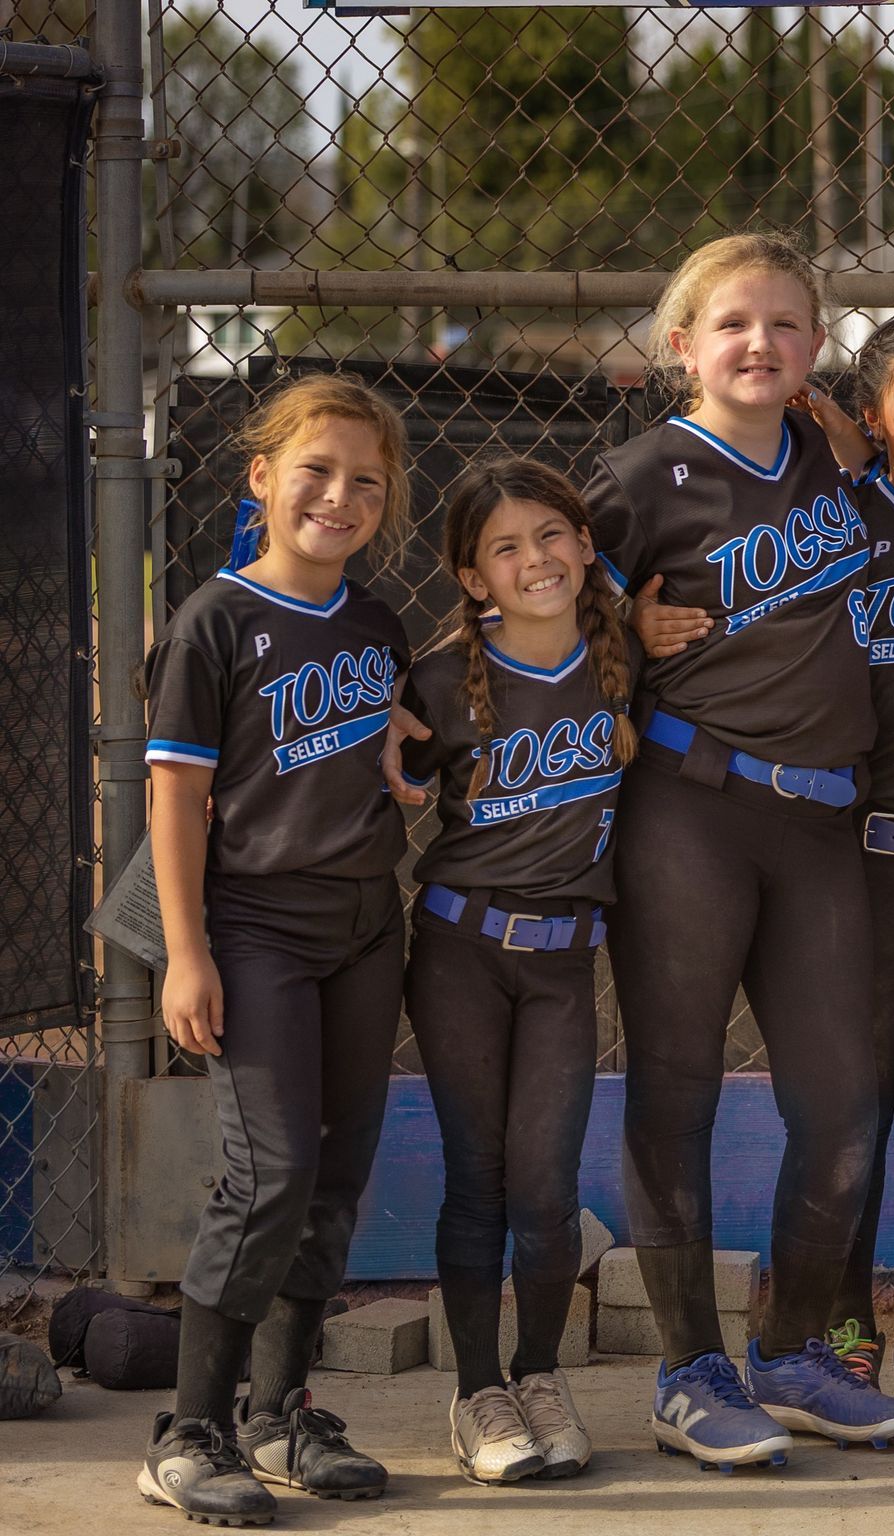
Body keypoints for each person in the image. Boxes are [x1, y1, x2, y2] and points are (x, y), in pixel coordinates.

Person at [638, 311, 894, 1439]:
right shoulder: (838, 522)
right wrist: (635, 610)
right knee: (845, 1099)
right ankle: (839, 1327)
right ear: (868, 418)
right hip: (854, 850)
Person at [580, 231, 894, 1469]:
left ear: (814, 348)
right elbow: (533, 598)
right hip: (694, 805)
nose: (759, 344)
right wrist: (624, 615)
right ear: (683, 346)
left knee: (840, 1104)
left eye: (785, 325)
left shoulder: (832, 457)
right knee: (674, 1088)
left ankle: (788, 1353)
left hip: (822, 817)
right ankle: (688, 1370)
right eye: (733, 324)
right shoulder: (642, 473)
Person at [138, 373, 413, 1524]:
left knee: (335, 1177)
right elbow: (176, 797)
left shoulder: (375, 623)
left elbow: (386, 753)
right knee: (273, 1172)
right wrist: (186, 953)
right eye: (315, 470)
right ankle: (187, 1432)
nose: (338, 496)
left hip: (365, 926)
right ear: (262, 477)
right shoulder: (214, 620)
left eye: (364, 481)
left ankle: (279, 1415)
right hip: (253, 927)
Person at [397, 456, 637, 1484]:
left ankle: (541, 1375)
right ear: (471, 574)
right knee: (480, 1181)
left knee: (546, 1188)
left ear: (587, 545)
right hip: (459, 951)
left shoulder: (629, 657)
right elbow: (383, 779)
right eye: (505, 547)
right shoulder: (442, 677)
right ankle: (480, 1393)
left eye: (552, 535)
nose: (534, 559)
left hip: (562, 964)